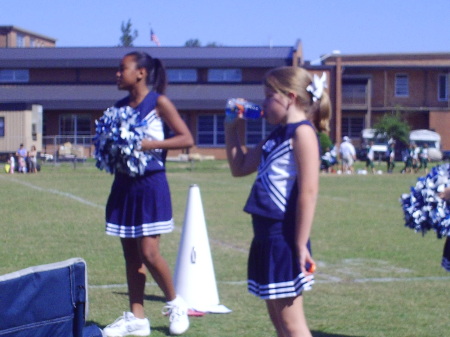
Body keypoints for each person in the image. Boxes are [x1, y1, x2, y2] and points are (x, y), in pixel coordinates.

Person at [225, 66, 331, 337]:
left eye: (268, 95)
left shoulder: (302, 133)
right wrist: (232, 127)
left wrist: (299, 244)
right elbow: (239, 166)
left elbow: (309, 192)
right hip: (265, 237)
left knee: (293, 325)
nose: (263, 102)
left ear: (289, 97)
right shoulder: (277, 134)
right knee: (279, 322)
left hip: (284, 238)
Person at [102, 51, 194, 337]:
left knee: (149, 252)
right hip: (124, 186)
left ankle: (176, 304)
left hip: (151, 185)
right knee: (132, 257)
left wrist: (149, 144)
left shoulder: (159, 102)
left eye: (122, 69)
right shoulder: (117, 108)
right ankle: (137, 318)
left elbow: (186, 138)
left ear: (141, 72)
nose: (117, 74)